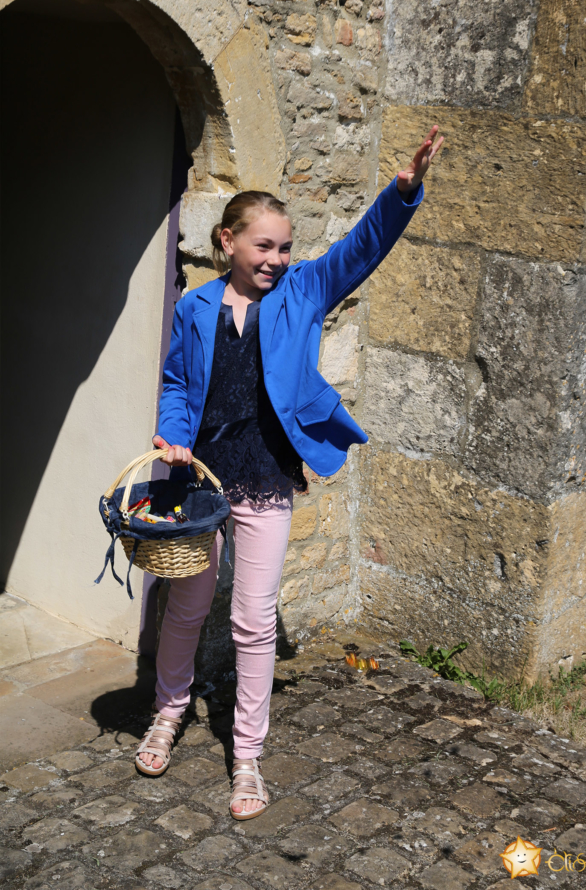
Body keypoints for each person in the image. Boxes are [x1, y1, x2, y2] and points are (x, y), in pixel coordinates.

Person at [134, 126, 444, 818]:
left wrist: (403, 191)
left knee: (252, 620)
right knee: (184, 605)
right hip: (198, 479)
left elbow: (361, 250)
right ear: (227, 243)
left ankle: (246, 755)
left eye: (283, 247)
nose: (275, 258)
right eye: (262, 245)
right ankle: (168, 710)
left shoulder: (304, 291)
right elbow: (178, 385)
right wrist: (172, 438)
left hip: (266, 474)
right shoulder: (195, 306)